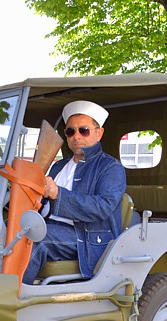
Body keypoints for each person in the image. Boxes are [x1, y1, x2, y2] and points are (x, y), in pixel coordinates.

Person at [22, 100, 126, 284]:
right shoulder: (59, 166)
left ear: (99, 133)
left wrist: (57, 194)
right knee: (5, 230)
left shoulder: (110, 167)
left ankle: (11, 295)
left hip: (87, 237)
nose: (76, 136)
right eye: (70, 131)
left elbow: (102, 207)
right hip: (50, 227)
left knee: (35, 238)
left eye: (83, 130)